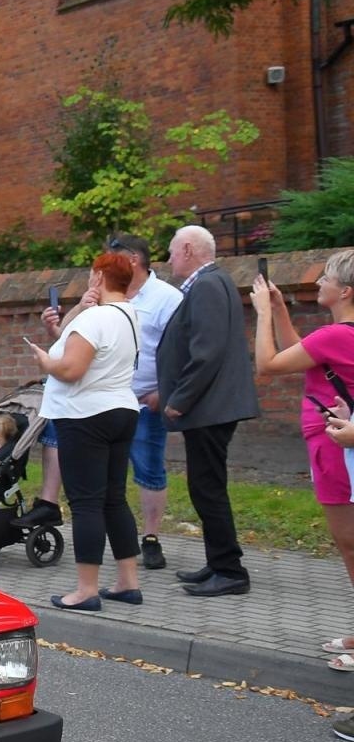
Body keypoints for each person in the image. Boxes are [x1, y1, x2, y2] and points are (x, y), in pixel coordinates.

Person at [249, 249, 354, 669]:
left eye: (326, 277)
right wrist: (278, 310)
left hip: (335, 444)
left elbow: (269, 364)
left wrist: (260, 313)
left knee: (349, 544)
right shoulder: (339, 336)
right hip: (333, 440)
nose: (318, 283)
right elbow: (301, 351)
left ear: (345, 290)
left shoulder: (337, 336)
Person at [25, 251, 142, 612]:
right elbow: (76, 346)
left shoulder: (96, 320)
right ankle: (127, 581)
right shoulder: (129, 314)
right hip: (122, 408)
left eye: (92, 275)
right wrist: (78, 310)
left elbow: (70, 368)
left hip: (85, 415)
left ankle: (86, 589)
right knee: (114, 499)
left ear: (100, 276)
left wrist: (44, 361)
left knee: (86, 502)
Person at [157, 225, 260, 597]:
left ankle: (229, 570)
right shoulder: (212, 283)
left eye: (171, 251)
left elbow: (207, 353)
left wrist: (179, 399)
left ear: (187, 249)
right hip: (211, 406)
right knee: (206, 487)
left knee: (208, 488)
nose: (169, 259)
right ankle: (219, 561)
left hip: (209, 407)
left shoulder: (206, 286)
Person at [108, 234, 185, 569]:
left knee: (149, 468)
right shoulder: (110, 295)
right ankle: (112, 535)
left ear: (133, 260)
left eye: (112, 258)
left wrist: (164, 393)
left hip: (145, 400)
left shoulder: (168, 298)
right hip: (107, 397)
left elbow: (182, 349)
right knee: (106, 469)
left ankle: (151, 537)